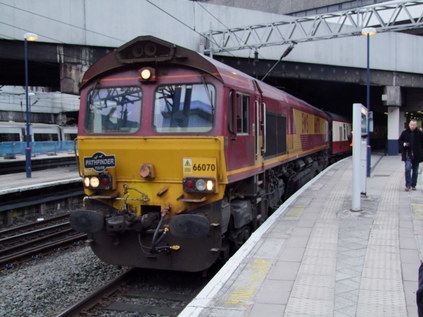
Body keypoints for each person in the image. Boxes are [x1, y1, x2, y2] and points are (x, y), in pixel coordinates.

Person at [398, 119, 423, 191]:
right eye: (411, 125)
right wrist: (404, 144)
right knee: (408, 169)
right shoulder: (404, 133)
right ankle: (407, 185)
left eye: (414, 125)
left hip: (417, 155)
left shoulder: (420, 133)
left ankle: (413, 184)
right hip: (407, 154)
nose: (412, 126)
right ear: (409, 124)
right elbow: (399, 140)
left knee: (415, 171)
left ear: (416, 125)